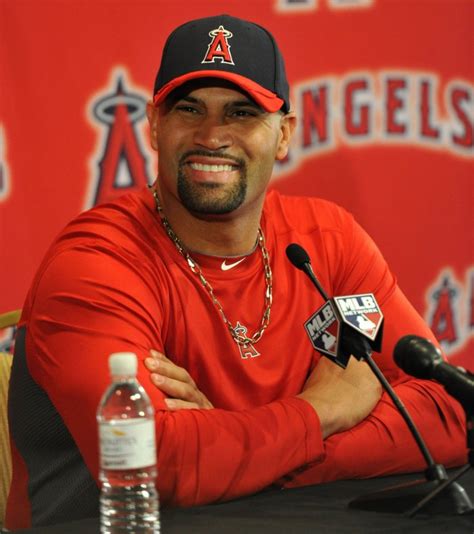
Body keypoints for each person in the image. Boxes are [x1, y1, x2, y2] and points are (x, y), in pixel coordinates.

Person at [6, 14, 467, 529]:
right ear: (155, 125)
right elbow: (158, 466)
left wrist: (243, 445)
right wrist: (324, 410)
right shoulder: (97, 262)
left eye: (242, 113)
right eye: (189, 109)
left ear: (284, 133)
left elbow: (448, 413)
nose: (212, 135)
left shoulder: (328, 241)